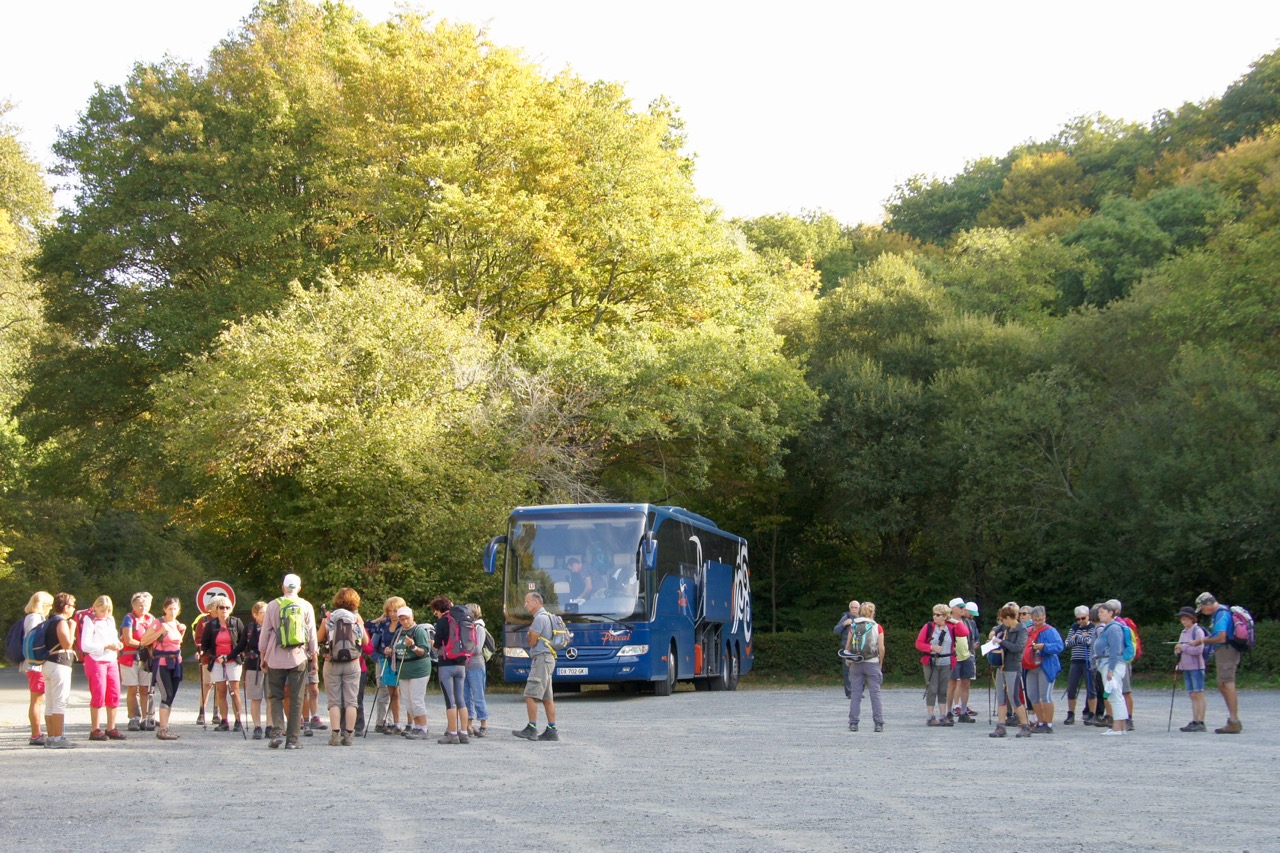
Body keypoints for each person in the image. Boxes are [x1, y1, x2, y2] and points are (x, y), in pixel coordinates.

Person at [259, 573, 318, 749]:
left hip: (275, 657)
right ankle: (293, 740)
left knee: (275, 695)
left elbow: (265, 634)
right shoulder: (306, 605)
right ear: (299, 588)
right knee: (297, 697)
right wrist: (313, 659)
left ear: (283, 587)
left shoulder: (272, 605)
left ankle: (277, 731)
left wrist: (263, 656)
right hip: (298, 657)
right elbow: (312, 635)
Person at [317, 587, 370, 746]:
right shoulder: (356, 618)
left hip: (331, 662)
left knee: (334, 701)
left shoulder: (329, 618)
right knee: (351, 701)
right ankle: (348, 735)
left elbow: (319, 638)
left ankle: (335, 735)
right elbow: (366, 642)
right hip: (353, 663)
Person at [1190, 592, 1243, 734]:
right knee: (1222, 684)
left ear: (1208, 604)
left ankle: (1234, 721)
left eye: (1202, 609)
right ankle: (1233, 720)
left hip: (1227, 650)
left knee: (1227, 683)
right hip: (1225, 650)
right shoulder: (1222, 613)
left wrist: (1201, 641)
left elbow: (1220, 637)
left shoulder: (1221, 614)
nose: (1203, 612)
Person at [139, 596, 186, 741]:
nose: (172, 611)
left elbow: (177, 643)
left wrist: (181, 631)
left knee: (171, 697)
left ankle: (165, 726)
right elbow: (144, 641)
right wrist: (159, 632)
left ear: (179, 610)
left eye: (175, 609)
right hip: (162, 663)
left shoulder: (177, 624)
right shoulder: (158, 623)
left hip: (176, 663)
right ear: (164, 609)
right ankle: (162, 729)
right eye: (170, 608)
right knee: (167, 695)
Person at [513, 591, 558, 741]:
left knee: (529, 695)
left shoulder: (539, 619)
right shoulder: (549, 617)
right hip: (548, 659)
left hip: (541, 659)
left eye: (527, 602)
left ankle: (531, 728)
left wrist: (530, 636)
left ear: (536, 602)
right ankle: (552, 730)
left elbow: (531, 641)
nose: (525, 605)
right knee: (547, 697)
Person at [80, 595, 127, 741]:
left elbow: (113, 638)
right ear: (95, 608)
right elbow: (85, 645)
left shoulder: (110, 620)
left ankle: (111, 727)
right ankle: (95, 729)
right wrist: (105, 646)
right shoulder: (90, 620)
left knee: (114, 693)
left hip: (111, 659)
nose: (105, 613)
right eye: (102, 610)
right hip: (96, 659)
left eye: (107, 610)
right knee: (98, 693)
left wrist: (118, 644)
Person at [200, 594, 246, 732]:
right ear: (216, 609)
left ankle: (238, 720)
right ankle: (224, 721)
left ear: (230, 609)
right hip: (217, 661)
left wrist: (237, 655)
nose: (224, 610)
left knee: (235, 690)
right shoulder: (211, 625)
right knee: (221, 691)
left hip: (233, 660)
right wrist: (205, 653)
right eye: (221, 607)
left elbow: (242, 642)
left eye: (227, 607)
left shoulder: (236, 622)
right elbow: (205, 644)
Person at [40, 593, 78, 749]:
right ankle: (58, 738)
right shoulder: (61, 622)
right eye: (73, 606)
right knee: (59, 703)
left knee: (50, 703)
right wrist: (73, 628)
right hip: (59, 664)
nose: (74, 609)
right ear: (66, 607)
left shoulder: (49, 621)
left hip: (48, 664)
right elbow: (67, 644)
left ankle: (51, 737)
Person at [431, 596, 471, 744]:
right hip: (462, 663)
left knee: (450, 701)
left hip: (446, 664)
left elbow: (436, 646)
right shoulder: (461, 620)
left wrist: (432, 644)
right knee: (461, 699)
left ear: (438, 610)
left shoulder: (442, 622)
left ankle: (452, 733)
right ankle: (464, 732)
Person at [988, 603, 1032, 738]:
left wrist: (1000, 641)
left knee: (1013, 697)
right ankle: (1001, 726)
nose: (1002, 621)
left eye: (1003, 619)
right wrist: (993, 632)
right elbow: (997, 628)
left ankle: (1025, 726)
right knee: (1001, 696)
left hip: (1013, 666)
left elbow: (1017, 647)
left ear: (1008, 617)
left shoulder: (1022, 629)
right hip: (1001, 665)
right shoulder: (1005, 626)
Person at [119, 591, 157, 732]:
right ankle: (133, 718)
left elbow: (155, 636)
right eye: (140, 606)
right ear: (133, 606)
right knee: (132, 688)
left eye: (146, 605)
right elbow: (128, 639)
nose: (143, 608)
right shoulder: (128, 619)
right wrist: (144, 644)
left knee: (145, 688)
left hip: (145, 658)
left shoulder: (151, 619)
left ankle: (147, 717)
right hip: (129, 658)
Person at [393, 605, 432, 739]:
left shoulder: (419, 631)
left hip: (419, 669)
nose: (405, 622)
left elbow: (424, 651)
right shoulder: (399, 632)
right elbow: (394, 647)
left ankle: (424, 728)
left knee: (416, 700)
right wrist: (388, 650)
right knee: (408, 701)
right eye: (402, 619)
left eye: (407, 618)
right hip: (404, 670)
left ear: (412, 617)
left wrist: (413, 646)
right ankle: (417, 726)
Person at [845, 601, 885, 733]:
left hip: (856, 662)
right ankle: (878, 723)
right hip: (872, 662)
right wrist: (880, 663)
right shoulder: (877, 626)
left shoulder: (854, 625)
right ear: (872, 612)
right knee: (875, 693)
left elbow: (849, 644)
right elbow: (881, 647)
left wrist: (848, 658)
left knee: (856, 693)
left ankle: (853, 723)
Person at [19, 591, 53, 745]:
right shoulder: (35, 618)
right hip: (35, 664)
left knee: (38, 699)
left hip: (33, 664)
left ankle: (37, 733)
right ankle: (36, 734)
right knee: (37, 700)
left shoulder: (31, 617)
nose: (51, 608)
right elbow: (34, 641)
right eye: (49, 605)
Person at [1024, 606, 1064, 732]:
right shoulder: (1028, 630)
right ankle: (1040, 722)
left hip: (1046, 666)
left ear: (1045, 617)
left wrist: (1044, 647)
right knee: (1032, 695)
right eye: (1035, 620)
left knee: (1045, 695)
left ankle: (1049, 724)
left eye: (1040, 620)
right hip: (1031, 666)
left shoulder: (1050, 631)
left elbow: (1059, 646)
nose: (1037, 623)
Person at [370, 596, 406, 734]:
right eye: (389, 610)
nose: (392, 614)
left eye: (395, 610)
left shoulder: (403, 625)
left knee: (396, 693)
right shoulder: (383, 625)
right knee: (383, 691)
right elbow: (372, 645)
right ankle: (381, 722)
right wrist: (378, 659)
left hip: (399, 662)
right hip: (383, 661)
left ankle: (392, 721)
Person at [1093, 601, 1129, 736]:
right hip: (1108, 663)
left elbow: (1115, 650)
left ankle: (1117, 728)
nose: (1099, 615)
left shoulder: (1114, 628)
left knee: (1114, 695)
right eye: (1099, 612)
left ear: (1111, 613)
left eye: (1102, 612)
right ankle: (1121, 726)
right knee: (1116, 694)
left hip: (1111, 664)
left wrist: (1111, 670)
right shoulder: (1109, 627)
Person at [915, 604, 955, 727]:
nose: (935, 617)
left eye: (938, 615)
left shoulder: (951, 627)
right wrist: (931, 647)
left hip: (946, 662)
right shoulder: (928, 627)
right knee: (932, 689)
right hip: (931, 661)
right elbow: (918, 643)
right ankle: (930, 716)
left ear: (945, 617)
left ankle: (943, 716)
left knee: (943, 690)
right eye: (934, 614)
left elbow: (965, 632)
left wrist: (955, 622)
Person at [1174, 606, 1208, 732]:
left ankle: (1201, 721)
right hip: (1186, 667)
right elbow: (1179, 648)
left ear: (1192, 618)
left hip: (1196, 667)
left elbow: (1199, 649)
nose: (1183, 621)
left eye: (1186, 618)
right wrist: (1177, 650)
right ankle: (1194, 720)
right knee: (1192, 694)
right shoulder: (1183, 632)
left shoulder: (1197, 631)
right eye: (1182, 619)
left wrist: (1183, 648)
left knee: (1199, 693)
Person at [1063, 605, 1097, 725]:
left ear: (1088, 616)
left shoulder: (1092, 627)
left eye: (1083, 618)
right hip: (1075, 661)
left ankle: (1092, 714)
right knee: (1072, 688)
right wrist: (1080, 638)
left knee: (1091, 688)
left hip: (1088, 661)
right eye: (1078, 619)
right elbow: (1067, 643)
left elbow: (1089, 641)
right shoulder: (1074, 627)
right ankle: (1071, 713)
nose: (1080, 621)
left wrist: (1077, 638)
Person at [1107, 598, 1136, 730]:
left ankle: (1128, 719)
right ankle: (1121, 718)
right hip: (1117, 661)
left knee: (1125, 690)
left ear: (1115, 611)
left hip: (1121, 661)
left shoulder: (1121, 625)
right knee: (1118, 690)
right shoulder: (1112, 624)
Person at [945, 598, 976, 723]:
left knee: (966, 684)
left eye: (963, 607)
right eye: (960, 607)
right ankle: (948, 711)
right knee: (952, 684)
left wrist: (971, 653)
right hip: (954, 656)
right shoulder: (948, 623)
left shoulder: (968, 622)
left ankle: (963, 712)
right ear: (952, 608)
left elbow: (971, 638)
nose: (963, 609)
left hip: (966, 656)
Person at [465, 602, 491, 738]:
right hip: (464, 665)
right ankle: (468, 724)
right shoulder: (464, 627)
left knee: (478, 695)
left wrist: (463, 649)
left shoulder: (479, 627)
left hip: (476, 665)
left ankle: (484, 724)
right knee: (466, 697)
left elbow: (477, 648)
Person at [243, 601, 269, 739]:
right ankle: (257, 727)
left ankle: (270, 726)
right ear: (255, 614)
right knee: (256, 698)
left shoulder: (273, 627)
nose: (265, 615)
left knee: (271, 697)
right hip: (253, 665)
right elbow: (241, 646)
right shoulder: (249, 629)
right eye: (262, 612)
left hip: (271, 665)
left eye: (267, 612)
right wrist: (229, 657)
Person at [191, 607, 214, 727]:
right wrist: (202, 649)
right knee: (207, 684)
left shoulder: (229, 620)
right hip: (207, 656)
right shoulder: (204, 620)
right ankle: (202, 712)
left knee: (221, 685)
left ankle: (217, 713)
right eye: (218, 606)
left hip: (224, 656)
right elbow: (198, 638)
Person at [834, 599, 861, 699]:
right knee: (847, 671)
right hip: (847, 648)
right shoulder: (845, 617)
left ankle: (859, 691)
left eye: (856, 608)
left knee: (860, 671)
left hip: (859, 649)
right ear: (849, 609)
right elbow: (836, 631)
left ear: (859, 609)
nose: (854, 609)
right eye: (852, 608)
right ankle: (849, 692)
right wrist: (844, 624)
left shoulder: (862, 619)